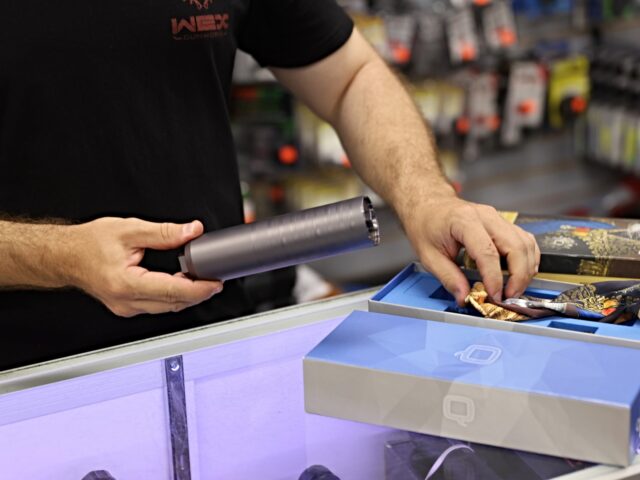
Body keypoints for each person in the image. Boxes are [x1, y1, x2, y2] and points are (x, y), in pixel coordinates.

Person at [0, 0, 539, 370]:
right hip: (23, 378)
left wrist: (424, 196)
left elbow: (351, 76)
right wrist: (60, 256)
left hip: (210, 349)